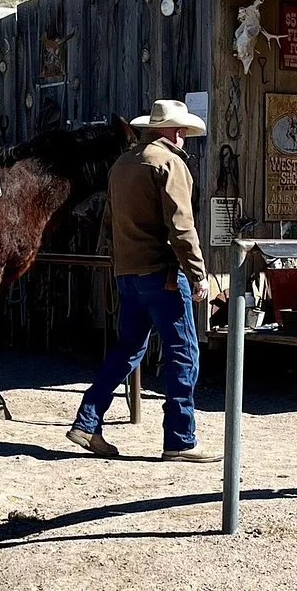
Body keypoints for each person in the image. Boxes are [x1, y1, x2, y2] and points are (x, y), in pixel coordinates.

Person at [68, 99, 218, 462]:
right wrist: (197, 274)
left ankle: (87, 421)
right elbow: (182, 227)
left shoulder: (122, 163)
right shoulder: (169, 163)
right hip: (162, 272)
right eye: (182, 131)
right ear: (176, 131)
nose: (184, 137)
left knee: (128, 349)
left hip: (127, 271)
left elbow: (108, 221)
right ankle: (180, 440)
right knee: (183, 351)